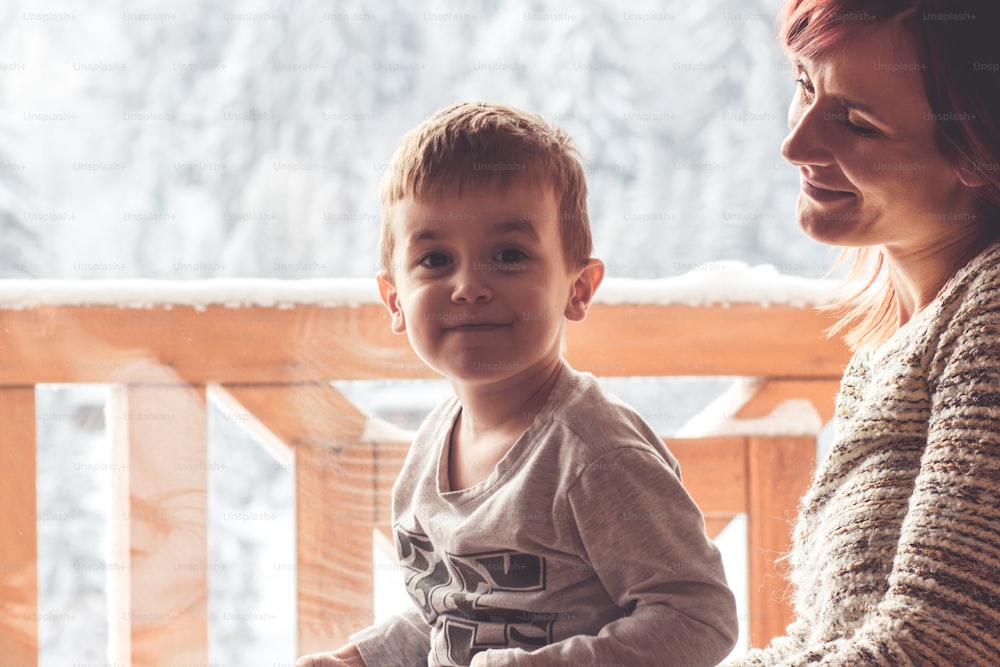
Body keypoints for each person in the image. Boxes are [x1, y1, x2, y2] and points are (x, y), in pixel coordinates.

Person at [296, 102, 738, 666]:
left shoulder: (595, 455)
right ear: (394, 300)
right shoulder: (434, 443)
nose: (468, 286)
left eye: (508, 255)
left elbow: (697, 620)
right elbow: (462, 613)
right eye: (434, 259)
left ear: (578, 288)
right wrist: (364, 659)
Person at [727, 1, 1000, 665]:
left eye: (857, 122)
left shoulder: (991, 323)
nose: (795, 145)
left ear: (976, 150)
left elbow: (935, 647)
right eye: (805, 86)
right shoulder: (896, 346)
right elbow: (829, 640)